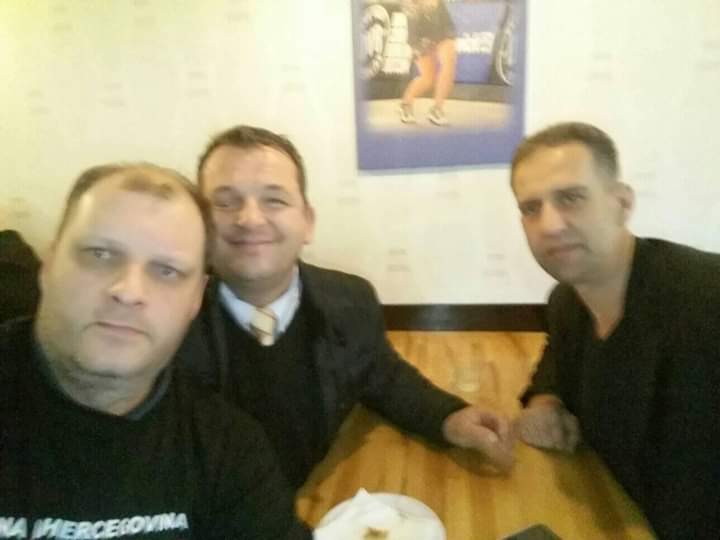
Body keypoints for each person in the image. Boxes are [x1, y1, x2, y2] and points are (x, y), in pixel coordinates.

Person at [178, 125, 514, 490]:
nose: (250, 219)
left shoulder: (349, 300)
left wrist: (448, 418)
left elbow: (381, 374)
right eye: (225, 202)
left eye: (274, 200)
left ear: (307, 222)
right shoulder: (169, 324)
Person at [0, 163, 311, 539]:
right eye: (100, 254)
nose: (129, 291)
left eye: (167, 271)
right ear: (48, 266)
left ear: (196, 298)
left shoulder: (226, 448)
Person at [511, 122, 719, 539]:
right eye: (532, 208)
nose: (549, 225)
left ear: (622, 203)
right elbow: (556, 361)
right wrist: (546, 402)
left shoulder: (705, 299)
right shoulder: (566, 301)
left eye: (571, 198)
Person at [398, 0, 457, 126]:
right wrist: (417, 44)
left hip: (442, 29)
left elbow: (436, 7)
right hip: (420, 36)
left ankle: (437, 109)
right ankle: (406, 104)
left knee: (449, 64)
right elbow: (413, 22)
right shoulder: (410, 5)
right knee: (428, 79)